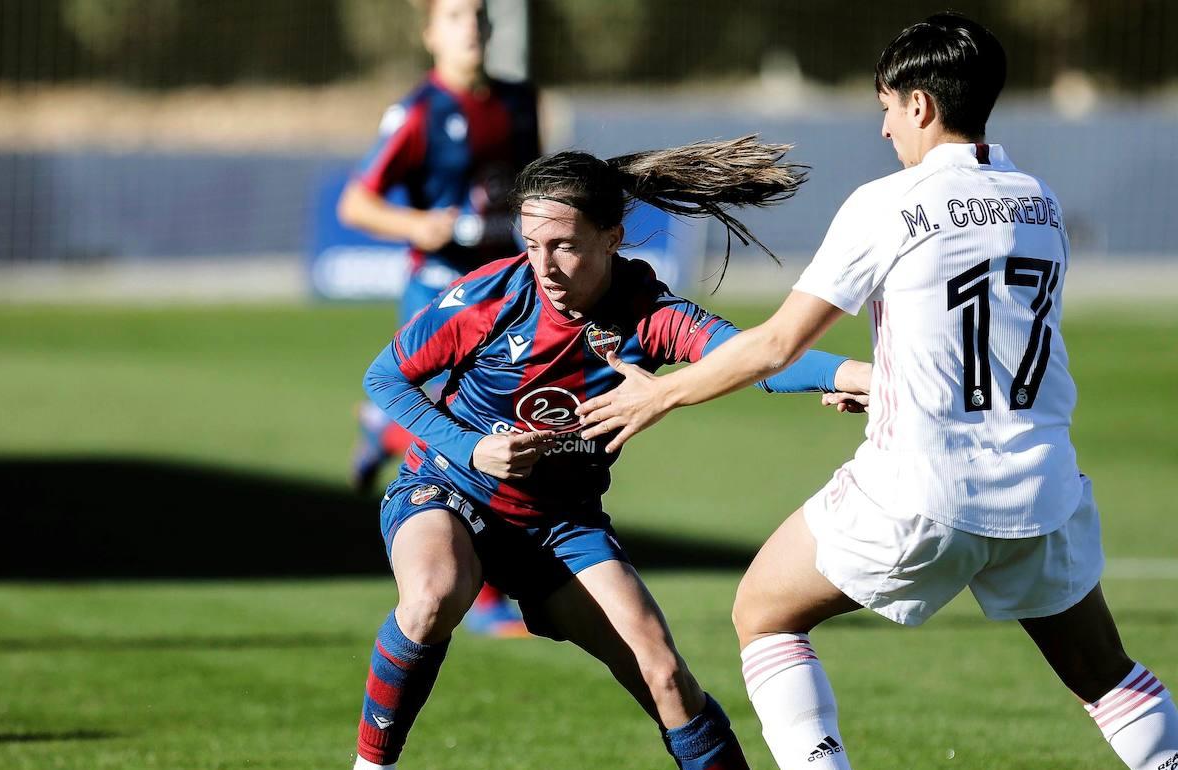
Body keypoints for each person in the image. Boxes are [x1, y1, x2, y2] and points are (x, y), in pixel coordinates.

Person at [577, 14, 1178, 770]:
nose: (887, 127)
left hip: (922, 487)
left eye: (889, 106)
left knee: (763, 614)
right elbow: (992, 341)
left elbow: (774, 344)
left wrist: (657, 397)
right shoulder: (1040, 201)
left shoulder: (887, 204)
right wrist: (893, 385)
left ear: (922, 105)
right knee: (1106, 676)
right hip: (1041, 489)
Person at [350, 136, 872, 770]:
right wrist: (471, 446)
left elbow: (755, 357)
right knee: (434, 594)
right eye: (532, 243)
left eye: (565, 246)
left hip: (560, 523)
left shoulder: (647, 313)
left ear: (612, 237)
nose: (543, 265)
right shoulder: (490, 297)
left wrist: (859, 377)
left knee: (666, 677)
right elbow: (384, 377)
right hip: (449, 492)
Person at [339, 0, 541, 636]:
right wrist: (417, 224)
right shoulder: (420, 111)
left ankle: (381, 428)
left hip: (505, 289)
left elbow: (530, 183)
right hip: (439, 292)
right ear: (430, 32)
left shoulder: (518, 100)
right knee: (453, 439)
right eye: (454, 15)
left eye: (478, 15)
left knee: (507, 422)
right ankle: (479, 597)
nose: (471, 26)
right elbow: (356, 203)